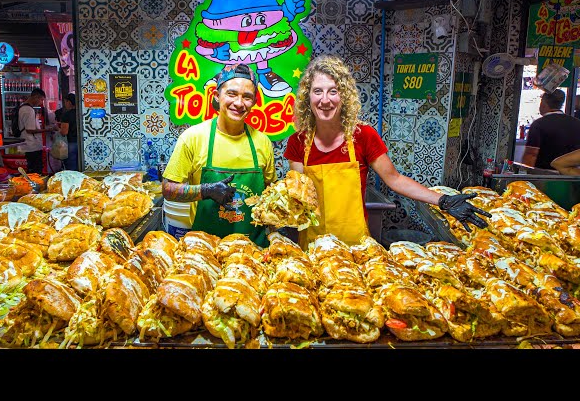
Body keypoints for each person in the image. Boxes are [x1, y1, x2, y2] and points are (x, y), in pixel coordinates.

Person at [284, 54, 490, 249]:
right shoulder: (298, 142)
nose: (325, 100)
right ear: (307, 98)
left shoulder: (363, 136)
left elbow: (395, 179)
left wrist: (442, 200)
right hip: (313, 246)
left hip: (355, 247)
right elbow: (298, 194)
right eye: (317, 91)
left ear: (344, 96)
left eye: (333, 91)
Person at [162, 63, 277, 247]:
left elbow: (271, 194)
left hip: (253, 252)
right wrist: (205, 190)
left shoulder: (262, 142)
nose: (239, 103)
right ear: (217, 96)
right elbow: (168, 190)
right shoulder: (193, 138)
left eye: (247, 97)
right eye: (231, 94)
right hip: (205, 250)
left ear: (254, 102)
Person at [521, 89, 580, 170]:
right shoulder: (577, 123)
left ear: (543, 104)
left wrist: (523, 175)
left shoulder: (539, 124)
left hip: (542, 176)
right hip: (570, 177)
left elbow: (531, 154)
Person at [19, 88, 56, 175]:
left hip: (30, 145)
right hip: (32, 145)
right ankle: (34, 186)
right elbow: (30, 130)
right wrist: (47, 129)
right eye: (41, 100)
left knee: (33, 169)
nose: (41, 103)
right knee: (35, 171)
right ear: (36, 97)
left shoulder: (24, 108)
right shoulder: (28, 110)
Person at [58, 92, 78, 171]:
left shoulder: (66, 115)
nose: (65, 104)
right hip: (83, 144)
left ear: (69, 102)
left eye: (65, 102)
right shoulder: (81, 113)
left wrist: (58, 129)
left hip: (71, 144)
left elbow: (64, 132)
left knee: (71, 168)